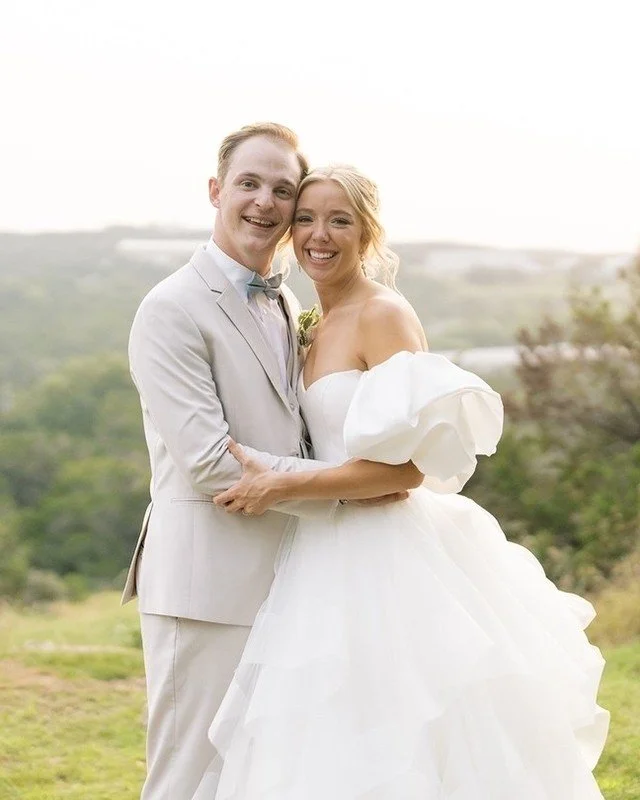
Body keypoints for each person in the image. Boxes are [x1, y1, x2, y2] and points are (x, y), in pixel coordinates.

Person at [195, 165, 610, 798]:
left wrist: (281, 487)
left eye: (340, 220)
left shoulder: (382, 314)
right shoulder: (308, 320)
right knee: (325, 737)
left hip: (386, 558)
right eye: (306, 218)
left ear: (367, 232)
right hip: (322, 552)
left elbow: (407, 469)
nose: (318, 235)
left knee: (400, 735)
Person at [120, 125, 406, 800]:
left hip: (292, 579)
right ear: (217, 190)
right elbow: (214, 466)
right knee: (189, 779)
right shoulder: (170, 308)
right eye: (249, 183)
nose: (266, 203)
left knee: (261, 778)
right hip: (207, 583)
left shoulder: (285, 299)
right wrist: (350, 493)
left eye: (283, 190)